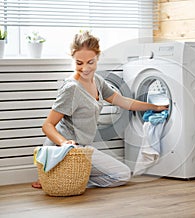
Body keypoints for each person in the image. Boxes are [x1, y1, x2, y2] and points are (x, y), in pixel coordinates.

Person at [32, 31, 168, 188]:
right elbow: (47, 125)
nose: (84, 68)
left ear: (98, 58)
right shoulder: (71, 88)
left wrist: (155, 106)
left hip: (83, 149)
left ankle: (67, 179)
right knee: (122, 175)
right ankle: (61, 177)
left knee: (121, 174)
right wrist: (64, 143)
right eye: (79, 63)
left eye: (90, 62)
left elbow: (123, 102)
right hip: (64, 149)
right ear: (73, 60)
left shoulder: (97, 81)